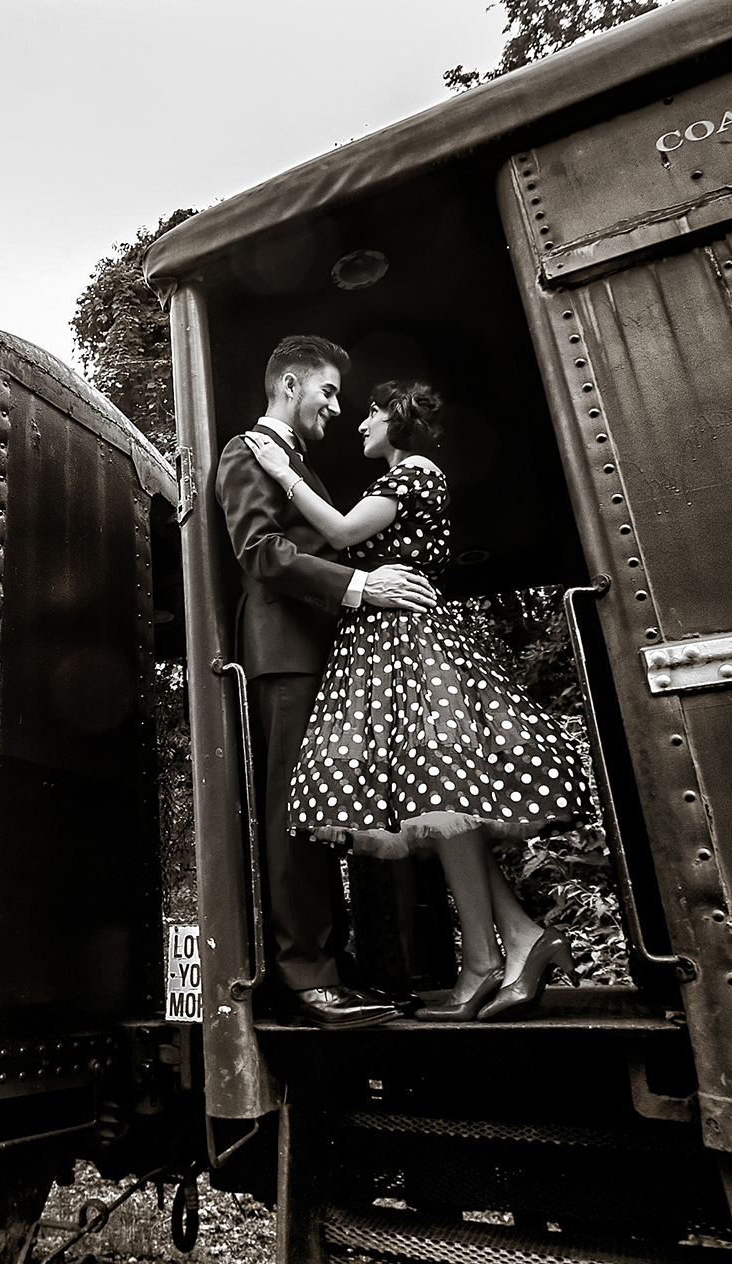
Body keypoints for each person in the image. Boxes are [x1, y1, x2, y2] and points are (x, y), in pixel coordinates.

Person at [241, 379, 591, 1022]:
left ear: (395, 417)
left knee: (442, 794)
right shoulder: (402, 479)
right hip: (387, 642)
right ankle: (518, 940)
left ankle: (486, 958)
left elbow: (344, 535)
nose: (357, 424)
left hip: (403, 640)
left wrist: (283, 474)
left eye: (368, 412)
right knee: (440, 800)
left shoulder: (415, 473)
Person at [214, 337, 440, 1030]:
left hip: (321, 654)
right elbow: (261, 552)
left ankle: (339, 968)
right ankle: (307, 976)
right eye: (330, 392)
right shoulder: (244, 451)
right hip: (285, 655)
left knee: (327, 814)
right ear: (290, 384)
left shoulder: (297, 464)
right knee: (294, 814)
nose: (339, 408)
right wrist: (362, 586)